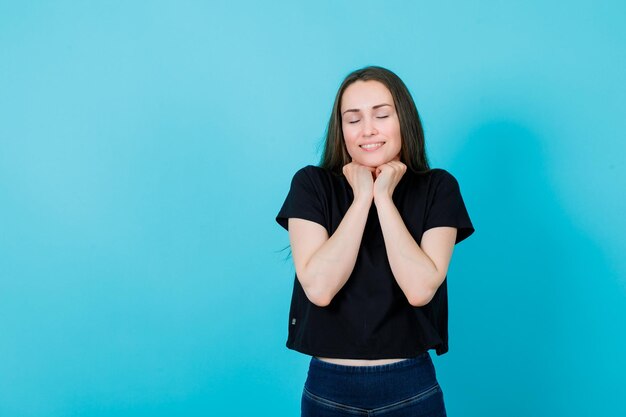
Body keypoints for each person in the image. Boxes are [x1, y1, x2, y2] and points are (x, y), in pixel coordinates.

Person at [276, 66, 475, 416]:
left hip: (410, 388)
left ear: (404, 120)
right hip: (329, 390)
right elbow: (320, 288)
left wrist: (383, 197)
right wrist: (361, 197)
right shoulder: (311, 185)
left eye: (381, 115)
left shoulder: (438, 188)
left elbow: (420, 289)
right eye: (353, 120)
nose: (367, 130)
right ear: (341, 129)